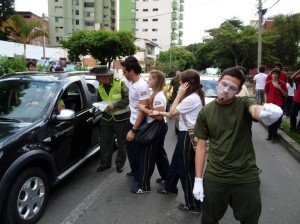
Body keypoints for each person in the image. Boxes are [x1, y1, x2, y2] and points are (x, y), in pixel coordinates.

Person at [193, 66, 283, 224]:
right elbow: (200, 146)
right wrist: (198, 180)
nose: (227, 90)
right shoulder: (205, 112)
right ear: (218, 81)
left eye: (233, 88)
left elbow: (254, 109)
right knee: (208, 219)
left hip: (245, 176)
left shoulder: (243, 103)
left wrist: (263, 112)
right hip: (216, 175)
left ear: (239, 90)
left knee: (250, 219)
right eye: (224, 84)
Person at [152, 69, 205, 214]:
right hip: (185, 134)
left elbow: (172, 113)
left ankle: (193, 204)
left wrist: (179, 95)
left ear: (188, 84)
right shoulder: (193, 96)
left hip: (188, 136)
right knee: (175, 164)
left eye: (182, 81)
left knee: (186, 170)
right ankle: (170, 188)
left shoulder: (191, 98)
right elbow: (175, 115)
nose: (179, 83)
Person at [133, 70, 170, 193]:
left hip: (156, 127)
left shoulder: (158, 96)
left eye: (150, 79)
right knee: (159, 154)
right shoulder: (155, 93)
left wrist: (144, 108)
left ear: (157, 81)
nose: (147, 81)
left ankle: (144, 186)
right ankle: (167, 178)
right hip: (158, 127)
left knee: (147, 157)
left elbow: (159, 116)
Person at [90, 65, 130, 173]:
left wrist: (115, 105)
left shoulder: (120, 83)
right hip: (107, 118)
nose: (96, 79)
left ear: (105, 76)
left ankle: (119, 164)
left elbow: (127, 100)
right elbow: (99, 101)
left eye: (98, 77)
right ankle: (105, 164)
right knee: (105, 142)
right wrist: (98, 106)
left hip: (121, 119)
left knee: (122, 143)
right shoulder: (100, 87)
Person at [121, 56, 150, 181]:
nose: (123, 73)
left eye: (124, 71)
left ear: (131, 71)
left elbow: (143, 111)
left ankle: (141, 179)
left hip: (139, 122)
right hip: (131, 120)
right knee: (130, 149)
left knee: (138, 152)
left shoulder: (142, 86)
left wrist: (134, 130)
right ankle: (135, 171)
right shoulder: (130, 81)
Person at [264, 68, 287, 142]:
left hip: (278, 104)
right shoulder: (268, 83)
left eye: (276, 74)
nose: (275, 75)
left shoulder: (282, 83)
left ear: (279, 75)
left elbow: (286, 94)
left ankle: (274, 135)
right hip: (270, 104)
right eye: (273, 74)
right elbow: (265, 93)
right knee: (270, 120)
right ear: (271, 75)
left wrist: (280, 88)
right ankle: (270, 135)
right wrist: (265, 103)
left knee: (277, 120)